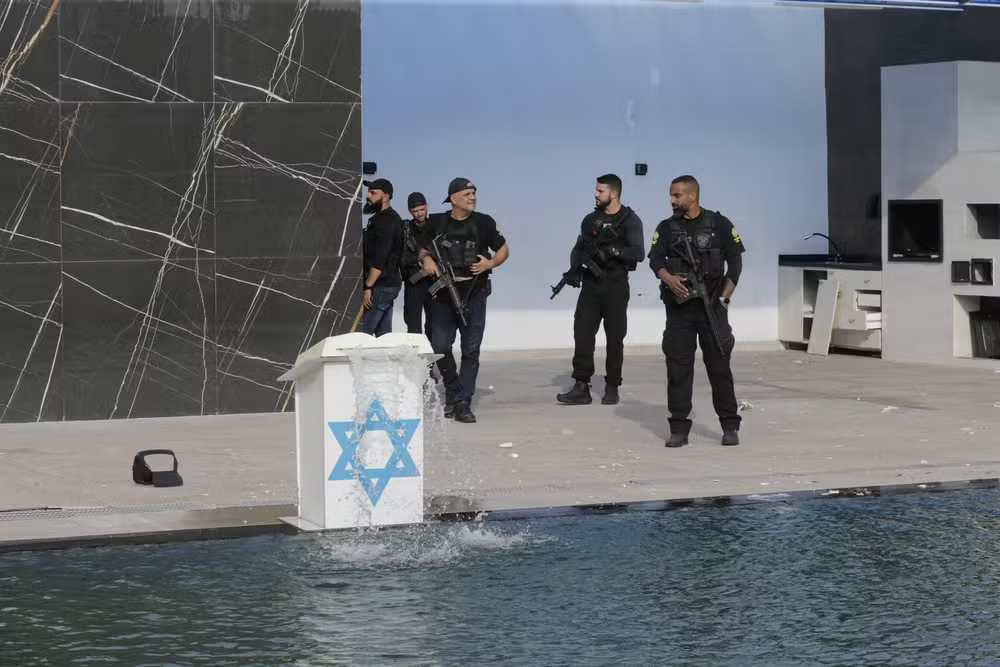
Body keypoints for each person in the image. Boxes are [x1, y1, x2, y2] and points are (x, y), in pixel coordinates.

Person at [648, 175, 745, 447]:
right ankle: (678, 427)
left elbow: (735, 265)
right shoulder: (666, 228)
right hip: (680, 311)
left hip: (712, 306)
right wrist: (668, 278)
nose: (672, 200)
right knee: (678, 368)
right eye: (671, 195)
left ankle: (729, 425)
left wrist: (723, 300)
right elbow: (655, 260)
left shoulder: (719, 224)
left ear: (693, 196)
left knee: (719, 367)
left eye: (677, 195)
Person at [418, 178, 509, 423]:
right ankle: (453, 388)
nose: (473, 197)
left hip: (475, 294)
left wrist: (491, 263)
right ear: (454, 198)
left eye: (474, 193)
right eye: (468, 194)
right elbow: (422, 248)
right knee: (440, 346)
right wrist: (426, 259)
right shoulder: (437, 222)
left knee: (471, 351)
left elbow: (503, 249)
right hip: (443, 296)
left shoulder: (484, 222)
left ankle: (463, 401)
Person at [556, 174, 645, 406]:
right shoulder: (590, 220)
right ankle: (581, 386)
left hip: (615, 284)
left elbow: (638, 253)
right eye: (596, 191)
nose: (596, 195)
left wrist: (614, 252)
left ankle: (612, 385)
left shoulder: (630, 220)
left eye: (600, 191)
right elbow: (578, 249)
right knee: (582, 333)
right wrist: (574, 269)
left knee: (615, 337)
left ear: (613, 193)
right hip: (591, 285)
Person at [360, 178, 403, 337]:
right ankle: (386, 363)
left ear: (385, 197)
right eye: (368, 192)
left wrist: (369, 286)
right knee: (384, 336)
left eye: (373, 193)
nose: (368, 196)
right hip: (385, 285)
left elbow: (380, 257)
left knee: (363, 332)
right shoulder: (379, 219)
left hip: (381, 286)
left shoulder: (387, 221)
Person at [400, 192, 435, 339]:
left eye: (422, 209)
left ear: (426, 206)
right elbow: (400, 257)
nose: (419, 213)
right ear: (410, 211)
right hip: (413, 281)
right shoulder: (406, 229)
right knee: (413, 324)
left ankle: (430, 359)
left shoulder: (435, 226)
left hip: (433, 281)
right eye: (415, 211)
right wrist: (418, 259)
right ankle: (417, 357)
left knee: (433, 322)